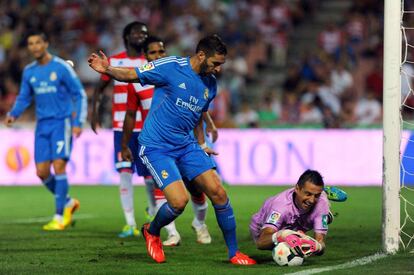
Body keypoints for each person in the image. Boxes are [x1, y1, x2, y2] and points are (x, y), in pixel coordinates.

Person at [88, 34, 256, 265]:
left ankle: (234, 253)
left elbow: (197, 116)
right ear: (200, 55)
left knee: (218, 192)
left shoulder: (210, 84)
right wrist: (107, 69)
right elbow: (132, 74)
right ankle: (153, 231)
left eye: (221, 65)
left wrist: (202, 143)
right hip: (156, 146)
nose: (217, 70)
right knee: (178, 202)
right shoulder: (171, 66)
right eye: (215, 63)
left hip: (187, 145)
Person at [121, 36, 213, 246]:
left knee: (196, 189)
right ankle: (172, 233)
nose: (158, 56)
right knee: (162, 188)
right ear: (145, 57)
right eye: (153, 53)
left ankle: (200, 224)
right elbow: (130, 115)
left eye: (161, 52)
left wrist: (211, 127)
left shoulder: (172, 71)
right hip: (156, 143)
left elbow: (198, 107)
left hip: (183, 142)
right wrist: (125, 144)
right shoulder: (137, 83)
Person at [4, 30, 87, 230]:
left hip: (62, 123)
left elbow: (80, 94)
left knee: (59, 166)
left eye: (38, 43)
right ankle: (67, 202)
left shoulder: (60, 67)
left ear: (46, 43)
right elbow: (24, 96)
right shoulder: (30, 71)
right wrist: (14, 113)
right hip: (42, 125)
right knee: (41, 172)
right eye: (31, 44)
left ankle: (59, 216)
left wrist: (79, 121)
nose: (34, 47)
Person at [91, 21, 157, 238]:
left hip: (148, 126)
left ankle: (153, 212)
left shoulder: (151, 59)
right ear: (126, 36)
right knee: (125, 172)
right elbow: (100, 89)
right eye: (137, 32)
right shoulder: (114, 60)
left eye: (144, 32)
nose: (141, 35)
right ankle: (129, 223)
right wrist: (94, 113)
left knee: (150, 175)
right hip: (122, 125)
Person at [249, 169, 330, 258]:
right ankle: (323, 218)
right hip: (262, 226)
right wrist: (282, 235)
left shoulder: (321, 203)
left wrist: (316, 246)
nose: (312, 200)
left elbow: (321, 245)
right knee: (279, 244)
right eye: (308, 194)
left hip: (300, 223)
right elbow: (261, 242)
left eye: (317, 195)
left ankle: (324, 215)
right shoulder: (280, 206)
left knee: (319, 211)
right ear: (297, 188)